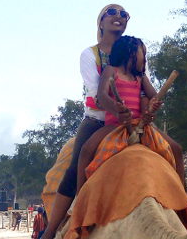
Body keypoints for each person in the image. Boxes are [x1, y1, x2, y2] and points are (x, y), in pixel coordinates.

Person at [31, 4, 175, 239]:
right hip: (100, 121)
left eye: (124, 14)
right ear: (100, 22)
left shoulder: (135, 53)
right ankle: (51, 231)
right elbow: (97, 91)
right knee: (77, 164)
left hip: (136, 122)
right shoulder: (92, 55)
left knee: (171, 153)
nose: (118, 17)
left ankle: (181, 209)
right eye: (112, 13)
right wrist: (119, 111)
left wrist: (148, 109)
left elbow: (145, 90)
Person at [77, 36, 180, 188]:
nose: (144, 59)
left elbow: (153, 96)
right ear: (130, 53)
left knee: (176, 149)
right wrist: (116, 110)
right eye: (142, 55)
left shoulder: (141, 76)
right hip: (115, 126)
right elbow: (103, 96)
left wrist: (153, 104)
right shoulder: (111, 71)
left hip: (142, 125)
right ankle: (80, 197)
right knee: (86, 150)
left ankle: (182, 193)